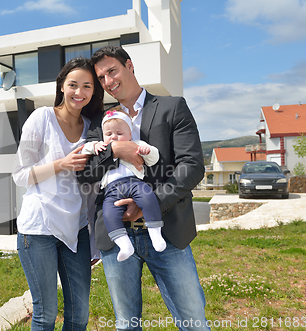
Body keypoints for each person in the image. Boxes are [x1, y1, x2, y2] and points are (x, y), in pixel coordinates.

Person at [77, 46, 209, 330]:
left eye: (112, 71)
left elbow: (192, 166)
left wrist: (149, 206)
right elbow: (85, 174)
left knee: (193, 321)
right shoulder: (100, 122)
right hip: (116, 236)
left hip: (169, 231)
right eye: (101, 78)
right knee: (126, 324)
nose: (108, 82)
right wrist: (115, 149)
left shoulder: (172, 108)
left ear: (129, 65)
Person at [12, 57, 104, 331]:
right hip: (38, 228)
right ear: (62, 86)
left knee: (80, 314)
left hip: (76, 230)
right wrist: (61, 164)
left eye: (87, 86)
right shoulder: (41, 117)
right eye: (73, 84)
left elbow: (91, 190)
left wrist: (94, 240)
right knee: (46, 313)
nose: (80, 92)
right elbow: (19, 174)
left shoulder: (91, 128)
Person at [81, 106, 165, 262]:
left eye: (119, 134)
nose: (114, 137)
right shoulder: (102, 147)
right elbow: (84, 152)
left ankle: (155, 233)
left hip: (134, 183)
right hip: (111, 190)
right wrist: (93, 146)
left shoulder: (136, 144)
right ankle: (124, 245)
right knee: (109, 213)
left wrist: (148, 151)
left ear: (130, 134)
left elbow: (154, 159)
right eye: (108, 134)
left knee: (148, 198)